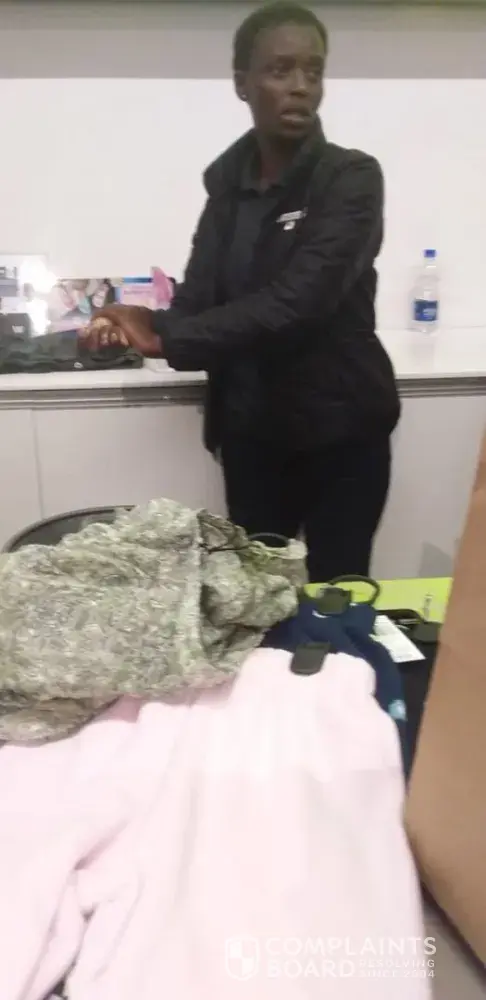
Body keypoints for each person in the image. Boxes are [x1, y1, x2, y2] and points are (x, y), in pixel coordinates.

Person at [82, 1, 400, 582]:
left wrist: (165, 337)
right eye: (280, 70)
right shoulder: (225, 195)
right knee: (253, 601)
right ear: (242, 83)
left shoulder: (351, 178)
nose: (301, 86)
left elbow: (301, 301)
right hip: (252, 439)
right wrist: (131, 321)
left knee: (338, 599)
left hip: (342, 436)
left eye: (313, 70)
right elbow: (197, 304)